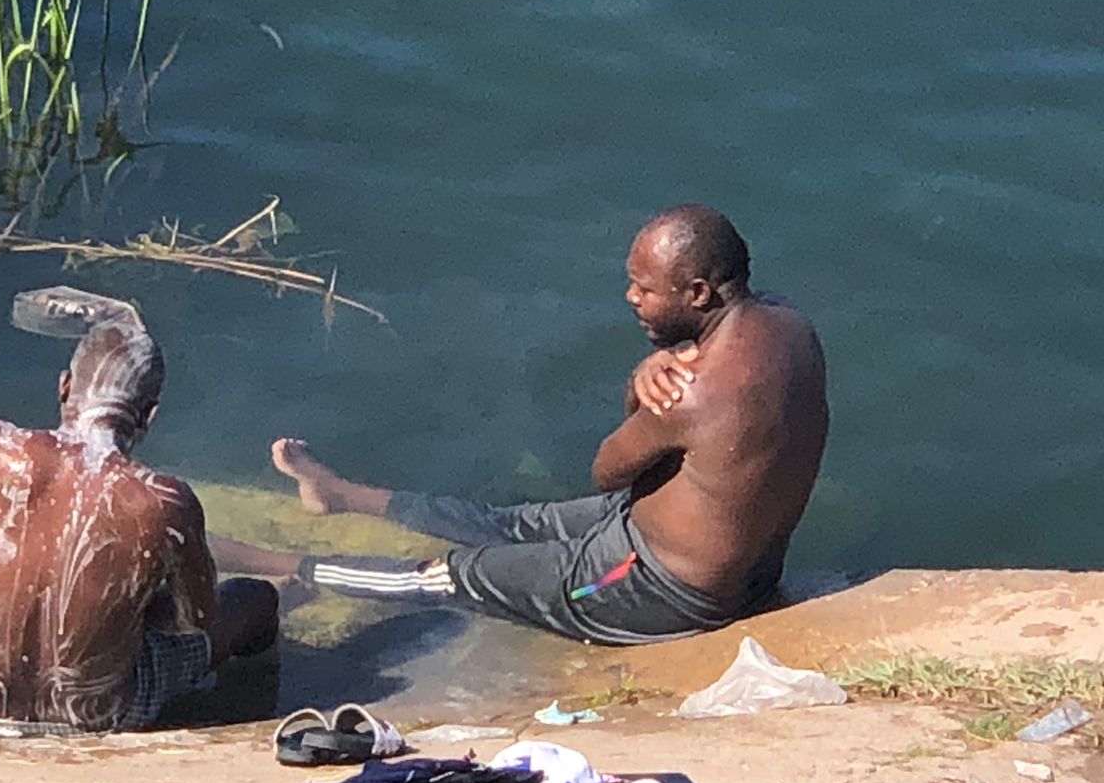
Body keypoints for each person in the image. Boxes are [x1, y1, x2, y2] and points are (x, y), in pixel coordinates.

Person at [211, 205, 829, 645]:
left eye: (644, 289)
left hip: (652, 588)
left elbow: (607, 469)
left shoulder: (689, 394)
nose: (631, 299)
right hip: (690, 549)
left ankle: (288, 568)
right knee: (512, 524)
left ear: (697, 293)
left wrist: (640, 384)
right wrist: (657, 364)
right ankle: (339, 495)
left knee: (458, 574)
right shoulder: (789, 326)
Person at [0, 301, 278, 736]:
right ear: (149, 416)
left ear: (64, 387)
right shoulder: (164, 501)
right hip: (104, 714)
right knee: (258, 600)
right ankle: (245, 717)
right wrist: (122, 610)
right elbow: (193, 619)